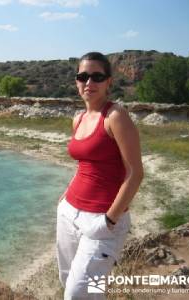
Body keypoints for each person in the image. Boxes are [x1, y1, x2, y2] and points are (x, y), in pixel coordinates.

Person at [56, 52, 144, 300]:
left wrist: (110, 220)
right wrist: (65, 196)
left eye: (97, 76)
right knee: (80, 285)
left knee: (77, 294)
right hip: (69, 213)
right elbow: (85, 164)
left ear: (109, 82)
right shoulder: (78, 118)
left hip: (101, 220)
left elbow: (135, 173)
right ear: (76, 81)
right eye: (83, 76)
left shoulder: (115, 116)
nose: (89, 83)